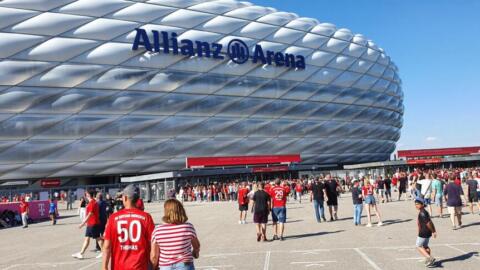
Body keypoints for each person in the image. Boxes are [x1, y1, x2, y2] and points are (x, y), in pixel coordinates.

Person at [102, 185, 155, 270]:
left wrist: (104, 267)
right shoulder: (146, 217)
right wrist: (153, 265)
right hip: (140, 266)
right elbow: (153, 245)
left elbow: (107, 246)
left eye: (122, 196)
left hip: (119, 266)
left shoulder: (113, 218)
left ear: (125, 198)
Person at [150, 199, 200, 270]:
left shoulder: (158, 230)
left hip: (166, 266)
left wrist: (154, 267)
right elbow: (196, 246)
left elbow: (154, 256)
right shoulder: (188, 227)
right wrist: (195, 253)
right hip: (185, 265)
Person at [72, 190, 103, 259]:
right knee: (87, 238)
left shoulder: (92, 202)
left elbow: (90, 214)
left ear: (89, 195)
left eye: (86, 194)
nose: (85, 196)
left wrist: (83, 223)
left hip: (93, 223)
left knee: (98, 238)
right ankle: (81, 253)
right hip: (90, 223)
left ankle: (104, 252)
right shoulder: (91, 202)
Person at [415, 198, 437, 267]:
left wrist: (433, 231)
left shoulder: (422, 213)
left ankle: (429, 258)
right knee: (425, 246)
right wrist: (433, 231)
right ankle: (429, 260)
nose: (416, 206)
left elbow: (428, 223)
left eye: (418, 204)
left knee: (418, 246)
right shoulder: (424, 211)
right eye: (415, 204)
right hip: (428, 232)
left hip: (423, 232)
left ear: (423, 204)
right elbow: (430, 221)